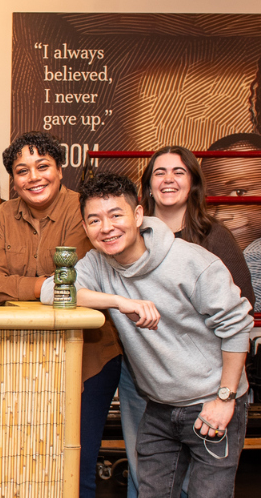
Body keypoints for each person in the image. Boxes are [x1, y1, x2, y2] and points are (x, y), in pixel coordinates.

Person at [42, 172, 252, 498]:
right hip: (158, 407)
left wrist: (224, 399)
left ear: (138, 216)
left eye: (116, 215)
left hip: (211, 402)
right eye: (94, 220)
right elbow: (51, 291)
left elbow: (238, 326)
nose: (106, 227)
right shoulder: (98, 264)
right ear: (85, 228)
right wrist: (117, 302)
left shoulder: (192, 262)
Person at [0, 131, 121, 498]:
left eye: (42, 166)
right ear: (13, 179)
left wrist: (27, 284)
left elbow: (82, 285)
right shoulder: (2, 215)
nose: (34, 177)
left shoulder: (86, 210)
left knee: (79, 463)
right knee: (26, 460)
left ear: (60, 170)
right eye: (22, 170)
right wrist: (45, 285)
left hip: (90, 356)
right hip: (23, 358)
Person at [114, 145, 257, 498]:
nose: (168, 179)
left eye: (178, 172)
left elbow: (243, 311)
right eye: (159, 172)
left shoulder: (215, 238)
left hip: (206, 385)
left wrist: (226, 390)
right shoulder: (126, 239)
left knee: (204, 485)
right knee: (146, 476)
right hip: (145, 380)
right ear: (146, 186)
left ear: (192, 183)